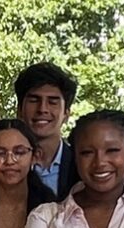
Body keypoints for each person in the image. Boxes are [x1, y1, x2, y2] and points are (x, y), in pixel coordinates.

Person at [14, 61, 78, 195]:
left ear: (66, 113)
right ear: (19, 110)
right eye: (34, 100)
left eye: (52, 102)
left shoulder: (80, 164)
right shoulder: (8, 164)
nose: (42, 109)